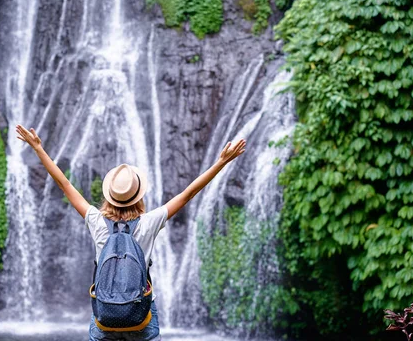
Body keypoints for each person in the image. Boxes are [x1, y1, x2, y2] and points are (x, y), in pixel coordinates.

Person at [16, 124, 246, 341]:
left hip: (105, 313)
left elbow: (64, 184)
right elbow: (188, 194)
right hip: (140, 314)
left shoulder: (96, 221)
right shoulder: (149, 222)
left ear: (109, 195)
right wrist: (222, 162)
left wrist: (38, 148)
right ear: (139, 195)